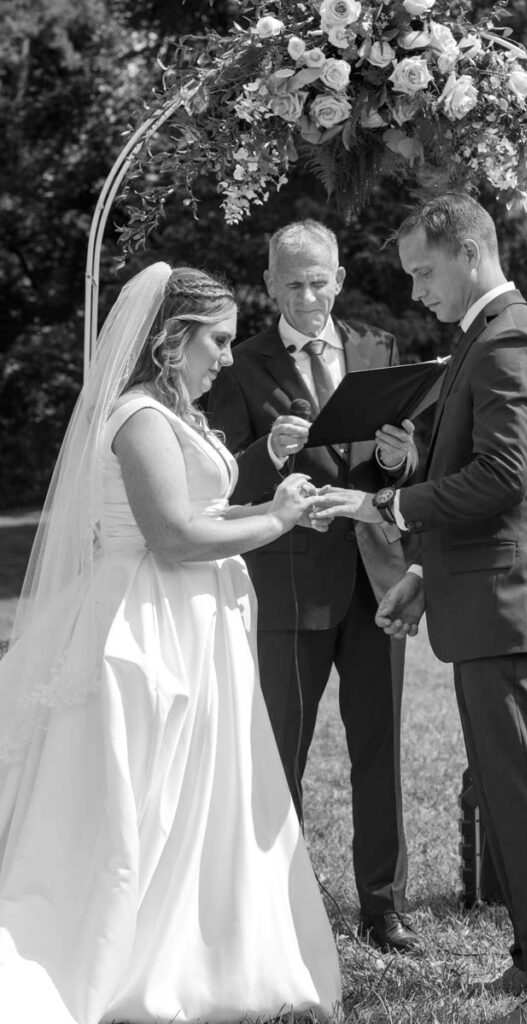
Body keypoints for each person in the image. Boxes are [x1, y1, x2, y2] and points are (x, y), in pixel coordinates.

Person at [0, 263, 341, 1024]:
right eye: (216, 340)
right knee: (142, 792)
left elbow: (206, 516)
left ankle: (199, 947)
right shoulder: (140, 418)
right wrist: (278, 519)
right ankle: (116, 951)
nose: (227, 355)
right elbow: (174, 537)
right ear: (170, 340)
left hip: (194, 616)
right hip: (143, 623)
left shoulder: (175, 412)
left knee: (199, 786)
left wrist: (273, 506)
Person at [312, 194, 527, 1024]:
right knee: (510, 791)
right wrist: (418, 579)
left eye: (422, 271)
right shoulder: (484, 338)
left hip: (515, 607)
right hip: (486, 599)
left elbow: (501, 480)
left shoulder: (508, 340)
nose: (414, 291)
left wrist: (388, 510)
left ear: (469, 253)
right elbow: (486, 487)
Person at [207, 220, 423, 954]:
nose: (307, 295)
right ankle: (279, 909)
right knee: (282, 754)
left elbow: (396, 472)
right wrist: (265, 452)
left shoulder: (377, 349)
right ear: (268, 284)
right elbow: (219, 480)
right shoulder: (238, 365)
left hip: (374, 583)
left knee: (379, 750)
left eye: (318, 279)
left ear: (338, 277)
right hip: (290, 585)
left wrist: (399, 461)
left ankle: (382, 908)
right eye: (292, 282)